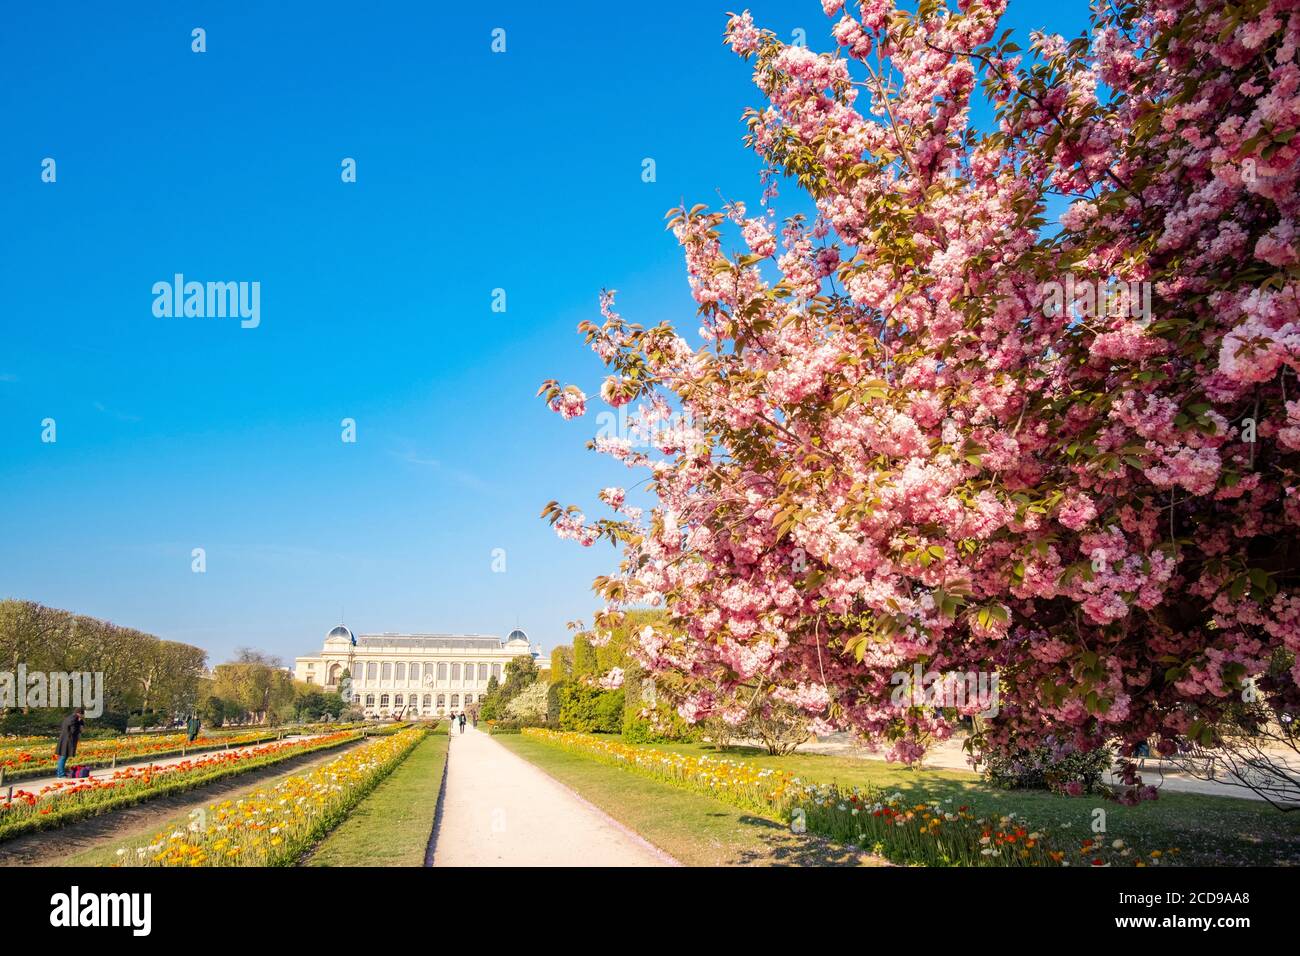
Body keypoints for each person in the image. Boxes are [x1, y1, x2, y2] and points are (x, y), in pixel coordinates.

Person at [55, 707, 85, 778]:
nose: (83, 716)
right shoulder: (75, 719)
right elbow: (73, 731)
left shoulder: (69, 717)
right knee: (63, 757)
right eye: (82, 714)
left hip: (64, 739)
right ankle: (61, 775)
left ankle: (60, 773)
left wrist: (80, 722)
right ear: (79, 713)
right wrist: (80, 729)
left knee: (62, 757)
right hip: (68, 740)